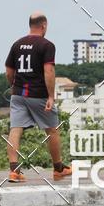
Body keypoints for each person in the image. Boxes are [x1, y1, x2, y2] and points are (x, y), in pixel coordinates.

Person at [5, 13, 72, 183]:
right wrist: (51, 96)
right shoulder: (47, 45)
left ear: (30, 25)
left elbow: (8, 71)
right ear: (44, 26)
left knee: (15, 129)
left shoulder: (17, 44)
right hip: (38, 95)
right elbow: (48, 71)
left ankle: (14, 171)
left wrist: (14, 86)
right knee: (52, 130)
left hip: (18, 95)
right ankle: (58, 169)